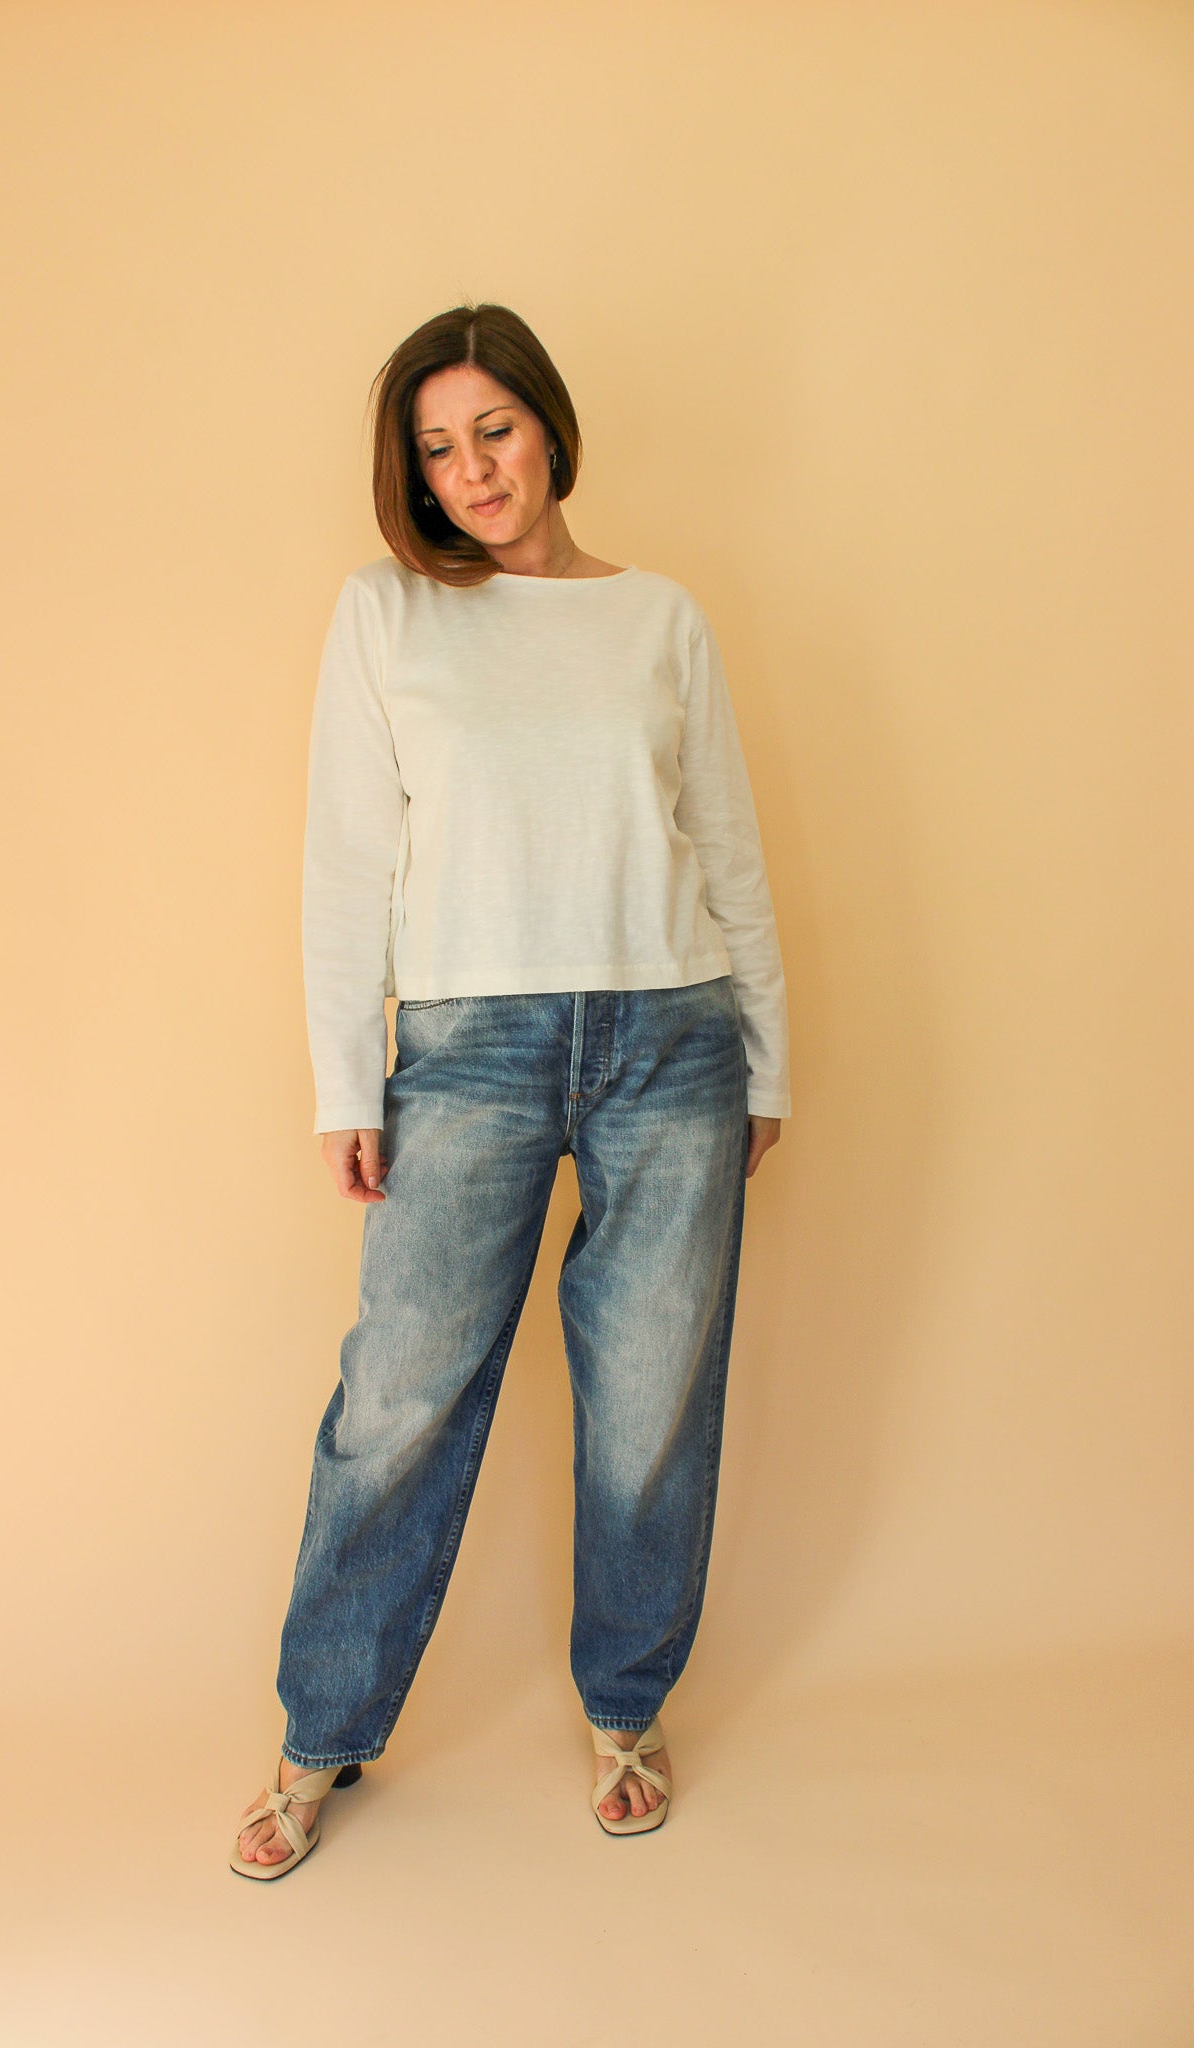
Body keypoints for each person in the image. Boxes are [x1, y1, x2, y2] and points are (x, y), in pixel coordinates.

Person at [231, 301, 790, 1878]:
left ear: (548, 427)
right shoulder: (387, 613)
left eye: (492, 430)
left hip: (671, 1037)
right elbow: (346, 860)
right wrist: (346, 1081)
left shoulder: (661, 618)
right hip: (468, 1046)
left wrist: (768, 1054)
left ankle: (625, 1706)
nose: (471, 469)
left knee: (652, 1400)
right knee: (397, 1399)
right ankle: (320, 1734)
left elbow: (727, 850)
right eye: (436, 447)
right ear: (411, 471)